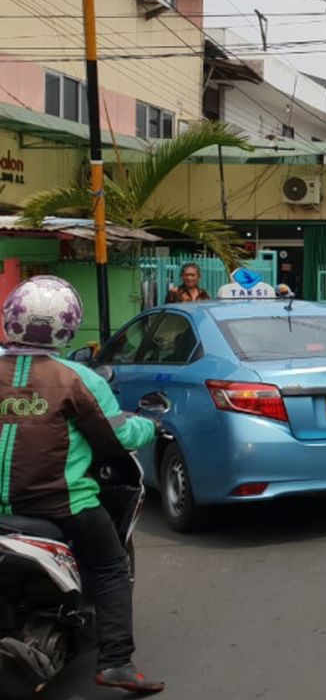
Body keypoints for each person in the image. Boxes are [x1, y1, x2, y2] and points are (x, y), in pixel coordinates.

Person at [0, 276, 163, 693]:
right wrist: (150, 426)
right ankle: (115, 663)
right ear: (68, 327)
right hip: (61, 504)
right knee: (110, 567)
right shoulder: (77, 378)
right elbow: (119, 436)